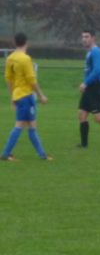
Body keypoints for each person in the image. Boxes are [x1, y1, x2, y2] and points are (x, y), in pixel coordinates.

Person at [4, 33, 51, 161]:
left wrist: (12, 97)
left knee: (32, 125)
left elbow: (8, 79)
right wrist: (41, 95)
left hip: (18, 95)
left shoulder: (10, 58)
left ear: (15, 43)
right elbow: (32, 80)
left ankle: (42, 155)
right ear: (26, 43)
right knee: (20, 125)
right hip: (26, 96)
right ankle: (5, 154)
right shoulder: (25, 59)